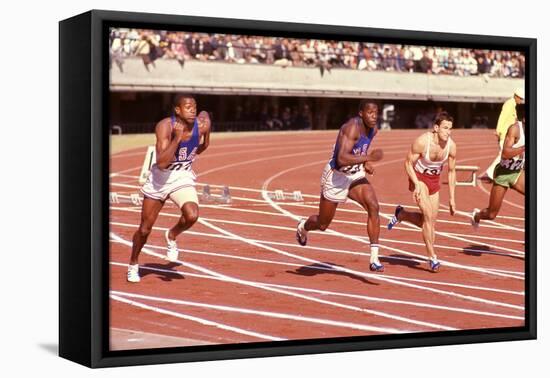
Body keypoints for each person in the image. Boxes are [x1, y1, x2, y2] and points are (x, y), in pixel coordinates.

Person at [127, 94, 211, 283]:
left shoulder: (203, 124)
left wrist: (191, 155)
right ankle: (133, 264)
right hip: (160, 180)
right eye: (188, 107)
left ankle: (171, 235)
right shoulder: (165, 126)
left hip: (181, 177)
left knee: (192, 215)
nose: (193, 110)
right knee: (145, 229)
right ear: (177, 110)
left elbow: (205, 143)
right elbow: (162, 163)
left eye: (195, 107)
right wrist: (177, 139)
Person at [296, 101, 385, 272]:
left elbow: (360, 150)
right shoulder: (351, 128)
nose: (374, 116)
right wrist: (368, 158)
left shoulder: (374, 129)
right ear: (361, 113)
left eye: (376, 112)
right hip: (336, 177)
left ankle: (374, 258)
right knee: (322, 224)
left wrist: (365, 162)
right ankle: (303, 226)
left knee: (373, 206)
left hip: (354, 175)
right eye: (370, 112)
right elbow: (341, 159)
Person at [387, 112, 457, 272]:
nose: (448, 132)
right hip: (419, 179)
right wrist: (416, 183)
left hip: (434, 183)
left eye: (450, 129)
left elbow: (452, 172)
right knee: (427, 216)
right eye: (445, 128)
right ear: (436, 128)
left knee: (430, 221)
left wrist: (452, 198)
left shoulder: (451, 146)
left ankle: (401, 215)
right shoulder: (422, 142)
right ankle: (432, 257)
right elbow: (407, 163)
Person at [471, 103, 525, 227]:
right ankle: (476, 215)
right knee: (491, 214)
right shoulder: (515, 129)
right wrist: (523, 148)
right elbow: (505, 154)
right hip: (503, 174)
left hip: (517, 173)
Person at [481, 87, 524, 181]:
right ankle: (491, 173)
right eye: (521, 98)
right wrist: (498, 130)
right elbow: (502, 117)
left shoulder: (512, 105)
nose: (521, 100)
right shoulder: (509, 104)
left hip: (507, 134)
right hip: (504, 134)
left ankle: (492, 173)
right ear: (516, 96)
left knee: (503, 155)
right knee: (502, 154)